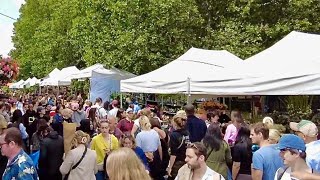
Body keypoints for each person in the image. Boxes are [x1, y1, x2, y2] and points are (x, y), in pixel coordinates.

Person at [167, 113, 190, 180]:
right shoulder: (187, 133)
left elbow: (173, 154)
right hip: (186, 161)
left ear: (175, 123)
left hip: (177, 162)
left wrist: (170, 167)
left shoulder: (174, 135)